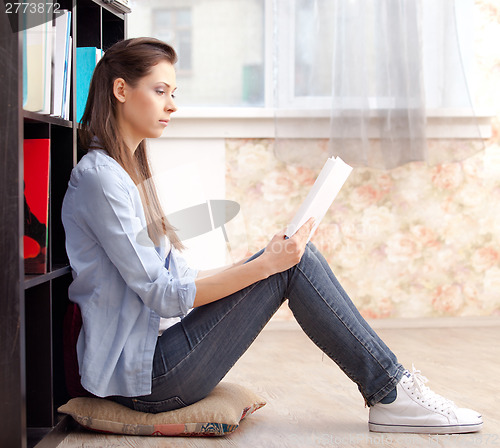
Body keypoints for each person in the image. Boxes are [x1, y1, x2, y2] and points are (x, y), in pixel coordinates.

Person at [61, 37, 483, 435]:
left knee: (293, 257)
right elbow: (164, 294)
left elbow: (179, 277)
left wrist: (260, 261)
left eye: (174, 93)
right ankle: (392, 392)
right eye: (160, 91)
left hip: (158, 354)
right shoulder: (101, 180)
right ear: (120, 89)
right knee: (289, 267)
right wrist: (265, 267)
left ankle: (392, 389)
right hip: (147, 377)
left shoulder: (125, 173)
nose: (172, 105)